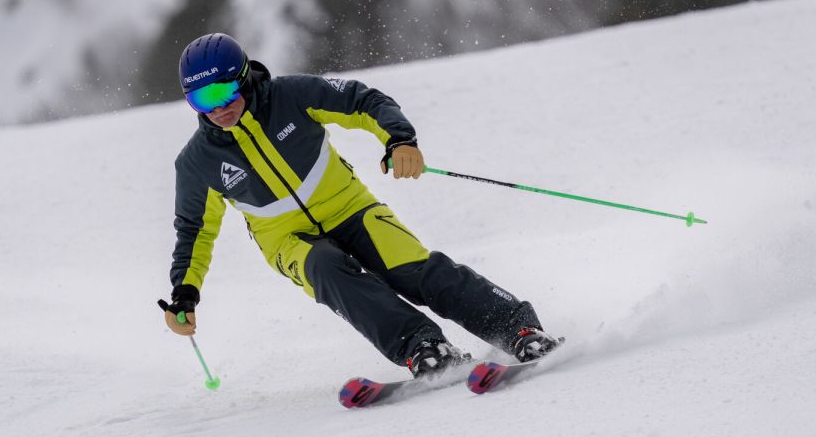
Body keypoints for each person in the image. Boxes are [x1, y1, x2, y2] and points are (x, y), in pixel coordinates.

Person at [161, 33, 560, 377]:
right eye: (200, 99)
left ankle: (518, 330)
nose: (217, 108)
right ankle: (424, 348)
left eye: (222, 92)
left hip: (350, 208)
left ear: (244, 78)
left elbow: (363, 101)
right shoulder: (198, 162)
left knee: (411, 268)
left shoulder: (292, 96)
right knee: (327, 268)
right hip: (286, 240)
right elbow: (195, 231)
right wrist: (185, 294)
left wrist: (399, 141)